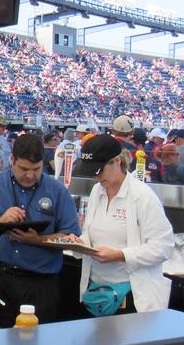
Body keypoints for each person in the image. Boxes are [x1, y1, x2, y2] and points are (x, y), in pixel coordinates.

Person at [0, 133, 80, 327]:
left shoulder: (57, 191)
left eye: (36, 169)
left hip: (41, 284)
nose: (30, 175)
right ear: (12, 160)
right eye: (24, 169)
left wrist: (36, 240)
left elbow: (72, 238)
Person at [75, 134, 175, 313]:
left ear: (117, 161)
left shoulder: (142, 196)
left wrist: (120, 255)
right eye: (92, 173)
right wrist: (79, 244)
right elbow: (93, 234)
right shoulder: (97, 191)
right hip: (98, 293)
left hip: (131, 297)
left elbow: (163, 247)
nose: (96, 177)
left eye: (99, 170)